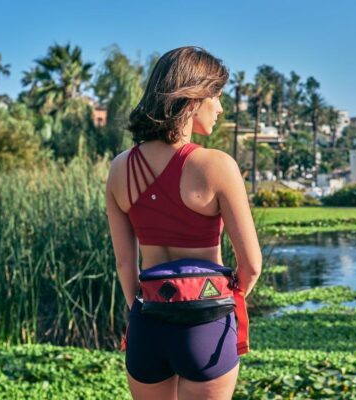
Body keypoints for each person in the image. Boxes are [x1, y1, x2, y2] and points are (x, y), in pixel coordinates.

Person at [105, 46, 262, 400]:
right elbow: (251, 265)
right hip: (205, 323)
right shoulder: (217, 165)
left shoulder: (119, 169)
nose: (220, 108)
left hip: (148, 322)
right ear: (191, 100)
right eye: (216, 97)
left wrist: (142, 311)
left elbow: (124, 262)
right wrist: (222, 300)